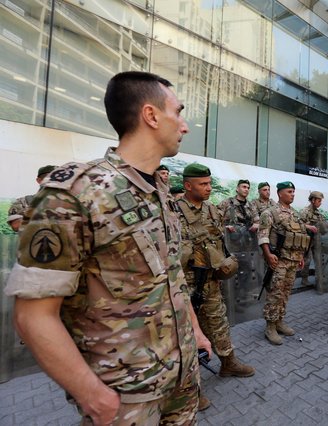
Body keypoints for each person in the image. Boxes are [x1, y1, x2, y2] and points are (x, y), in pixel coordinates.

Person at [4, 71, 211, 425]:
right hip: (125, 396)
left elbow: (170, 276)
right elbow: (33, 316)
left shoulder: (160, 192)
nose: (185, 125)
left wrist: (195, 331)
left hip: (181, 378)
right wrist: (92, 394)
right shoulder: (76, 193)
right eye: (178, 111)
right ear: (151, 115)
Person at [176, 163, 255, 410]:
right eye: (203, 184)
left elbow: (218, 241)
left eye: (210, 183)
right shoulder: (173, 212)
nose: (209, 188)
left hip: (210, 281)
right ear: (188, 185)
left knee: (218, 322)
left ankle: (228, 363)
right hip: (185, 287)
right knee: (186, 336)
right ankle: (189, 390)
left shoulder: (212, 210)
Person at [258, 181, 311, 345]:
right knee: (275, 293)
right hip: (278, 259)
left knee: (286, 292)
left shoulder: (295, 214)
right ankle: (270, 327)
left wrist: (300, 256)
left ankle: (280, 321)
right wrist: (268, 255)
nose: (292, 194)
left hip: (293, 259)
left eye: (294, 192)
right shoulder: (270, 213)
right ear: (280, 193)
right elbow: (263, 235)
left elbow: (300, 237)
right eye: (289, 191)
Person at [6, 165, 56, 231]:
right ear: (39, 180)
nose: (55, 182)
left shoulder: (70, 203)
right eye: (51, 178)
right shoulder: (23, 202)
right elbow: (16, 225)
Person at [298, 191, 328, 286]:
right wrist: (309, 227)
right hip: (307, 240)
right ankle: (304, 279)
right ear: (313, 200)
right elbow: (298, 225)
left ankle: (319, 279)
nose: (320, 203)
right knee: (307, 260)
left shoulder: (318, 213)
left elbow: (323, 227)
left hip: (317, 240)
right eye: (319, 200)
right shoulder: (304, 212)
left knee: (319, 260)